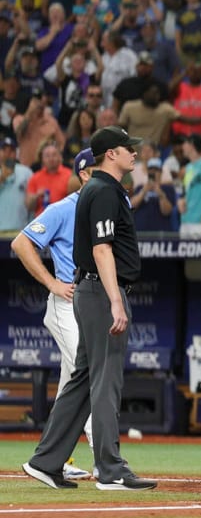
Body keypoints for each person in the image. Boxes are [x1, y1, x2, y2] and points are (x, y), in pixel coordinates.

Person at [24, 128, 157, 492]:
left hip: (89, 290)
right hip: (99, 291)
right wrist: (116, 300)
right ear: (111, 154)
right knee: (105, 379)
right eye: (128, 149)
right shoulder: (102, 191)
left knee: (83, 379)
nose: (134, 153)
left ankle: (47, 460)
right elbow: (102, 250)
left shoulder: (98, 189)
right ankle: (110, 469)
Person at [11, 149, 98, 482]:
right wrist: (52, 282)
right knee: (87, 374)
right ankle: (106, 459)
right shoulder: (64, 208)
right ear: (85, 174)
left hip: (89, 305)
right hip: (66, 305)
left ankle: (53, 460)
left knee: (69, 385)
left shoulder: (104, 205)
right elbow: (21, 243)